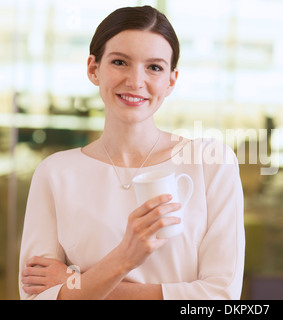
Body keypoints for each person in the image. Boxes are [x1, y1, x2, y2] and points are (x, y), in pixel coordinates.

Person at [18, 5, 245, 300]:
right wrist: (126, 257)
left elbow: (219, 298)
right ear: (93, 69)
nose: (136, 81)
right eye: (120, 62)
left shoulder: (210, 163)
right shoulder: (55, 173)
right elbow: (37, 296)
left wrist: (76, 283)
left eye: (154, 67)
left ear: (171, 81)